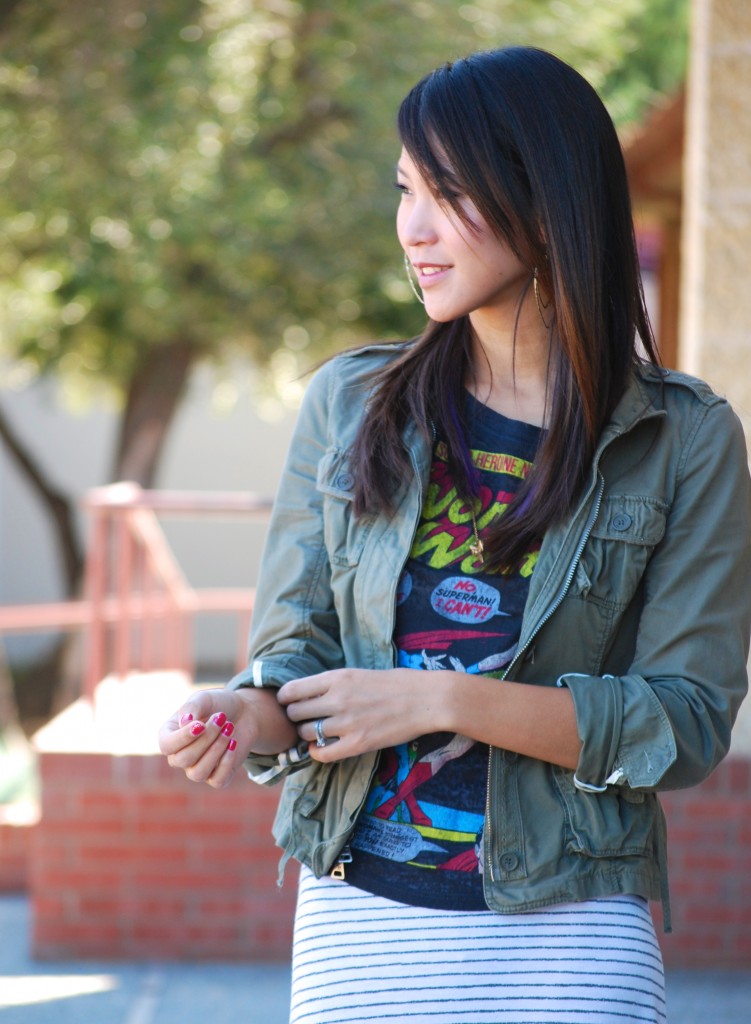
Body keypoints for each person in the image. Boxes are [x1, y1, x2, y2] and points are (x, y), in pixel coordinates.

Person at [159, 46, 751, 1024]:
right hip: (362, 924)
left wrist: (443, 699)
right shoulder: (349, 404)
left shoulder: (680, 437)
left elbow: (683, 724)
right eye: (404, 190)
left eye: (448, 193)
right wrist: (234, 714)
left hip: (574, 933)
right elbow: (294, 664)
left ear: (546, 202)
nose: (413, 229)